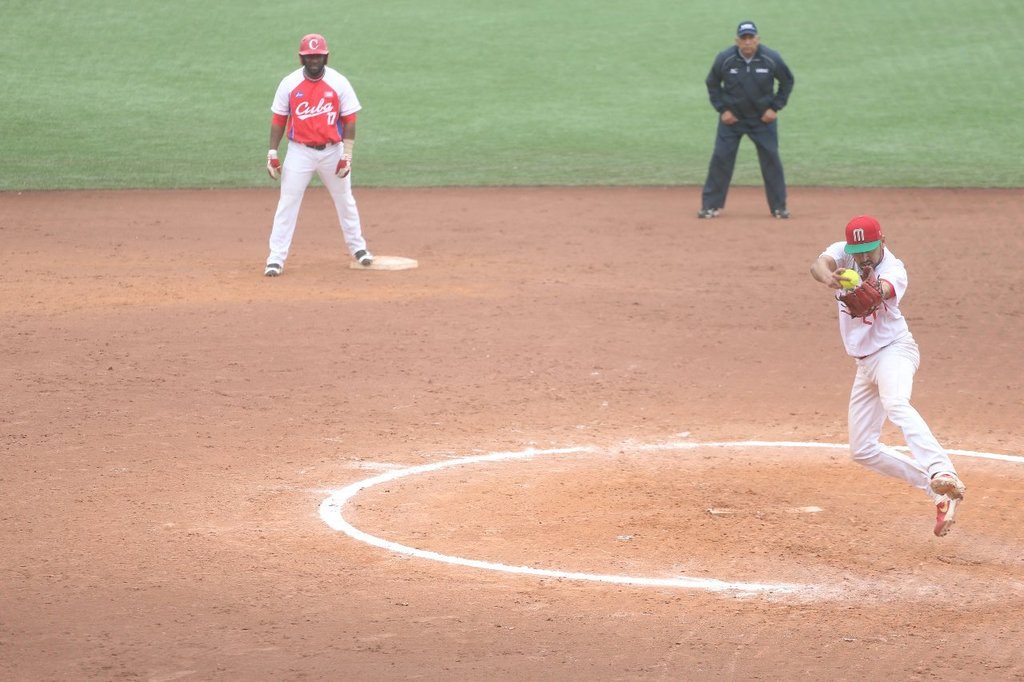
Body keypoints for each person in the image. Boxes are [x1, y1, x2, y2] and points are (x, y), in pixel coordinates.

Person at [810, 215, 967, 537]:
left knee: (896, 403)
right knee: (863, 450)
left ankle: (943, 471)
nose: (863, 257)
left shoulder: (894, 269)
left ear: (882, 242)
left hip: (894, 351)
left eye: (868, 249)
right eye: (858, 251)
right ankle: (938, 493)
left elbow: (879, 291)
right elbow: (819, 265)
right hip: (865, 363)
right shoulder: (845, 253)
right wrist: (829, 277)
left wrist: (860, 287)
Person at [263, 33, 372, 277]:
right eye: (309, 56)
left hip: (333, 151)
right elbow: (279, 119)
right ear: (302, 58)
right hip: (299, 153)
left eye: (318, 56)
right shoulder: (289, 84)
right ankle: (275, 259)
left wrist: (347, 155)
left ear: (326, 57)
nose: (314, 60)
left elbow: (350, 119)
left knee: (345, 199)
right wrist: (272, 152)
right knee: (287, 203)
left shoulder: (339, 82)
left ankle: (358, 248)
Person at [698, 21, 794, 220]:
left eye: (751, 38)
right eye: (744, 38)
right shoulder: (725, 59)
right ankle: (710, 206)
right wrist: (722, 109)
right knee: (721, 158)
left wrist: (775, 107)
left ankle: (779, 207)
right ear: (737, 41)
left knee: (771, 159)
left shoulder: (771, 58)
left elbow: (787, 81)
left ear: (758, 39)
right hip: (732, 120)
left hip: (762, 120)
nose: (748, 42)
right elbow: (712, 83)